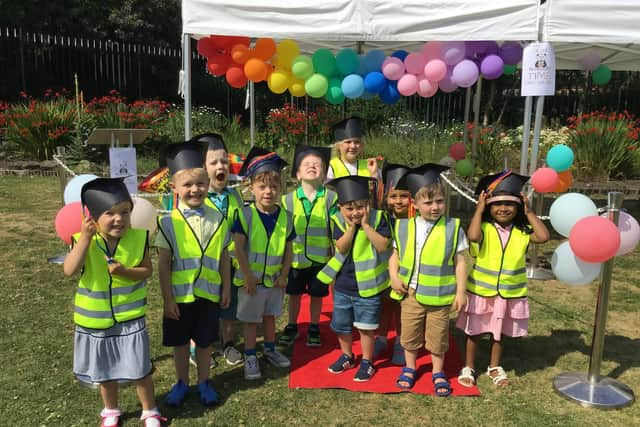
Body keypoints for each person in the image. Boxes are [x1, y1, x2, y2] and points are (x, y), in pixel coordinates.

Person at [63, 178, 165, 427]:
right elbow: (69, 269)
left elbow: (147, 271)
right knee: (105, 371)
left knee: (140, 370)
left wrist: (125, 272)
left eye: (125, 212)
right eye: (109, 213)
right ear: (93, 218)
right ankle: (110, 410)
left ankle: (149, 410)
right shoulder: (82, 240)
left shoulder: (138, 238)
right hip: (95, 320)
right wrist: (85, 240)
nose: (119, 219)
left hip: (130, 320)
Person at [456, 170, 550, 388]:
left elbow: (544, 237)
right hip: (481, 292)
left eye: (510, 204)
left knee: (499, 334)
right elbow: (472, 236)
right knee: (475, 331)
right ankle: (468, 366)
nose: (504, 208)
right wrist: (479, 209)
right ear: (490, 207)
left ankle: (494, 366)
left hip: (509, 293)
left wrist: (529, 212)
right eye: (497, 204)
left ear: (517, 207)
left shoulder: (522, 231)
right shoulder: (485, 228)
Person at [155, 141, 231, 407]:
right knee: (179, 343)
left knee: (205, 341)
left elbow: (223, 256)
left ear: (208, 184)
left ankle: (204, 381)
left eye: (200, 184)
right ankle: (181, 382)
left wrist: (226, 288)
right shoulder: (168, 222)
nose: (194, 190)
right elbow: (164, 264)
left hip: (209, 294)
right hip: (180, 297)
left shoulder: (219, 219)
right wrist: (168, 299)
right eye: (187, 185)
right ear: (175, 188)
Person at [388, 164, 468, 396]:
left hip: (440, 297)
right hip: (410, 293)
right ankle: (410, 367)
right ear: (415, 204)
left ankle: (437, 371)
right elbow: (395, 255)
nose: (435, 207)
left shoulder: (453, 228)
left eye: (440, 201)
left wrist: (461, 292)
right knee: (410, 334)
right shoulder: (403, 226)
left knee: (438, 337)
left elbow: (460, 261)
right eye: (428, 203)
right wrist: (394, 276)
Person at [317, 175, 391, 382]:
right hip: (343, 285)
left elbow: (383, 245)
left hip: (369, 287)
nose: (355, 212)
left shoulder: (378, 218)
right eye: (349, 208)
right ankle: (347, 355)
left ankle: (367, 361)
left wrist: (366, 226)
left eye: (360, 207)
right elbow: (341, 247)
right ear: (340, 208)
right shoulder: (337, 221)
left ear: (368, 204)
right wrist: (351, 227)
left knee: (366, 327)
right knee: (341, 324)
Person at [232, 146, 294, 380]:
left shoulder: (286, 217)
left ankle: (269, 349)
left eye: (274, 187)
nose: (268, 192)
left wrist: (284, 274)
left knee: (270, 316)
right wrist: (247, 275)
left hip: (274, 281)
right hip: (252, 282)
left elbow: (289, 248)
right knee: (250, 321)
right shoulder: (246, 215)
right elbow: (238, 247)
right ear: (252, 188)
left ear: (280, 189)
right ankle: (250, 355)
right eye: (262, 186)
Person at [279, 145, 337, 348]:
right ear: (298, 173)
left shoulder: (331, 198)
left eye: (317, 164)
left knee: (317, 295)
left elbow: (335, 229)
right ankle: (292, 325)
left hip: (320, 259)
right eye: (307, 164)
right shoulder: (287, 200)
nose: (312, 166)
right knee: (294, 294)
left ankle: (314, 326)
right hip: (295, 259)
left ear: (324, 173)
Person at [196, 133, 245, 367]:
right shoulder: (197, 198)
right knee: (203, 307)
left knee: (229, 306)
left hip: (232, 265)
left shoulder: (235, 196)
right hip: (204, 266)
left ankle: (228, 344)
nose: (220, 166)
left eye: (224, 161)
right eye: (213, 162)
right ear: (203, 167)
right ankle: (199, 347)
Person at [374, 162, 411, 365]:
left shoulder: (417, 220)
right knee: (385, 305)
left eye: (403, 196)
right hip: (383, 270)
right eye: (393, 196)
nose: (398, 201)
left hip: (406, 272)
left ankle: (400, 341)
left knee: (402, 308)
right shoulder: (383, 218)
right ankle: (381, 338)